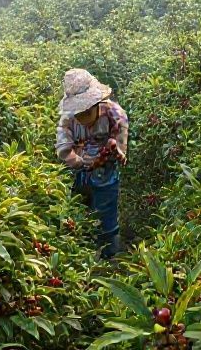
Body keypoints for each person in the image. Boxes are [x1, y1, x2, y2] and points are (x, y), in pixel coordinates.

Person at [55, 68, 128, 259]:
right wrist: (80, 162)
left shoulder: (115, 114)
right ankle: (84, 256)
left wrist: (115, 150)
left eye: (87, 112)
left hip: (105, 174)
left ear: (96, 103)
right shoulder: (67, 119)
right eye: (79, 113)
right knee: (80, 213)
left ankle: (110, 257)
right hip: (78, 172)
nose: (83, 118)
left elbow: (120, 145)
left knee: (106, 216)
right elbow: (63, 149)